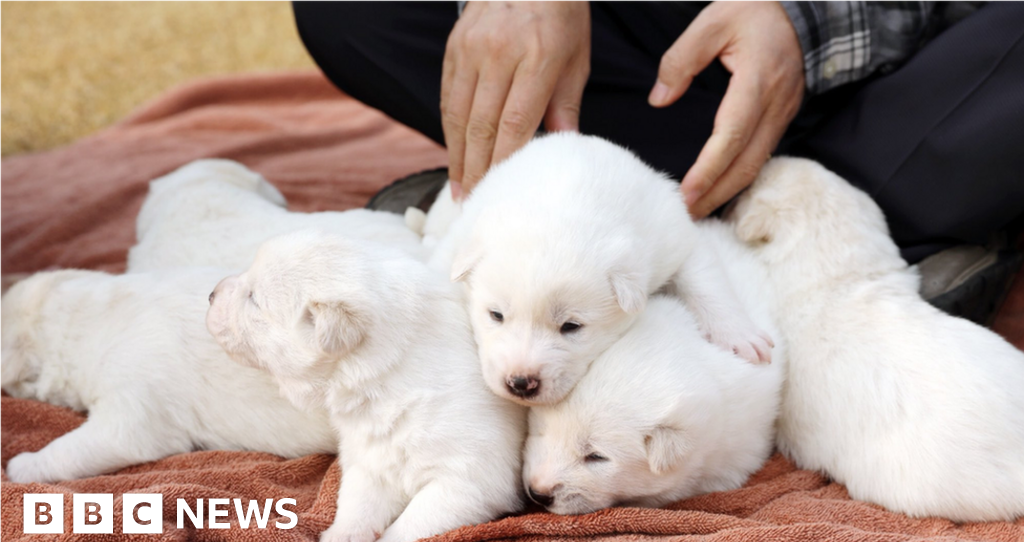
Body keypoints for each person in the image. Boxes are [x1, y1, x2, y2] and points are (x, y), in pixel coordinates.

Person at [292, 0, 1024, 324]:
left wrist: (802, 23)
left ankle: (555, 198)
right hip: (669, 53)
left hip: (924, 54)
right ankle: (835, 238)